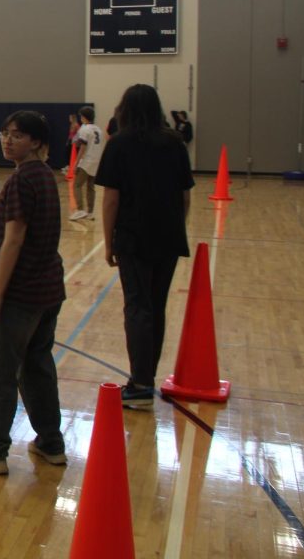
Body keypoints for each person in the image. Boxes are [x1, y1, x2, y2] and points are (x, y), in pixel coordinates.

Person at [0, 111, 66, 476]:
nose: (8, 141)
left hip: (20, 295)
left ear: (37, 142)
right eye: (5, 134)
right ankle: (51, 442)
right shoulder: (45, 176)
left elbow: (14, 238)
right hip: (48, 290)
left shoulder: (21, 181)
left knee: (0, 374)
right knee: (38, 367)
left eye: (19, 136)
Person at [98, 85, 194, 410]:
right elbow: (185, 197)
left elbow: (111, 199)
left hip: (133, 236)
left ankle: (140, 385)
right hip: (167, 236)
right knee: (156, 305)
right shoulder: (174, 143)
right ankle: (145, 377)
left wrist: (109, 242)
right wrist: (173, 228)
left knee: (137, 307)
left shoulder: (120, 144)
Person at [69, 106, 105, 221]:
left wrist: (76, 163)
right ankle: (90, 212)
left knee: (77, 185)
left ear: (84, 117)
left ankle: (79, 210)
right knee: (91, 187)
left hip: (87, 160)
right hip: (96, 161)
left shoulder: (85, 129)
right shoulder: (98, 129)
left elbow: (82, 146)